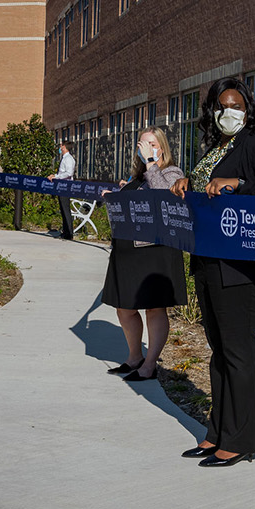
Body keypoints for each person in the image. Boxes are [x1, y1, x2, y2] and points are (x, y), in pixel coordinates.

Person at [168, 77, 255, 467]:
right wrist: (189, 185)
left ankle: (242, 439)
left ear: (249, 109)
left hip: (241, 266)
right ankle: (219, 431)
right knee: (220, 352)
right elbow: (210, 193)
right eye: (222, 106)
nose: (229, 112)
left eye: (236, 105)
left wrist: (237, 184)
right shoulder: (217, 148)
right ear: (212, 113)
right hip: (210, 261)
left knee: (238, 352)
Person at [101, 127, 188, 381]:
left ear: (161, 146)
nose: (145, 148)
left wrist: (151, 163)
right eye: (141, 144)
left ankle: (150, 365)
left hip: (154, 250)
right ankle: (134, 357)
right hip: (128, 250)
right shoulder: (134, 177)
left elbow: (163, 196)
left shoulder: (172, 172)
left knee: (154, 307)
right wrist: (115, 198)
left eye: (151, 144)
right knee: (124, 306)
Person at [47, 140, 77, 240]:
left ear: (64, 147)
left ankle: (69, 233)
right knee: (63, 209)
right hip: (61, 186)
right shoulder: (65, 158)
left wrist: (57, 177)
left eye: (61, 146)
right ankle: (65, 231)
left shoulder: (68, 159)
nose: (60, 148)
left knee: (65, 209)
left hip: (65, 186)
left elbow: (68, 173)